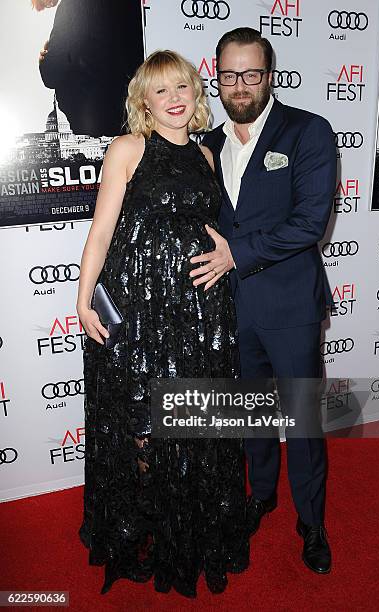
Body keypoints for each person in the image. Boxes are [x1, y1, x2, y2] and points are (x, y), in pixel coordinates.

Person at [76, 50, 250, 598]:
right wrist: (84, 300)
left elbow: (208, 222)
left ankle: (190, 530)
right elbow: (102, 230)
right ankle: (145, 529)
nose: (174, 99)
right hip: (143, 311)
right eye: (161, 91)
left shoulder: (206, 156)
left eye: (182, 87)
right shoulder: (128, 149)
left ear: (195, 95)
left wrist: (226, 245)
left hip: (200, 312)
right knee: (142, 423)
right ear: (143, 102)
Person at [191, 28, 337, 574]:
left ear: (269, 74)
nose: (240, 86)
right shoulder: (204, 142)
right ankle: (260, 495)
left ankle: (312, 521)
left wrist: (237, 255)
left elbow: (308, 224)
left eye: (251, 74)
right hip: (230, 307)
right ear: (218, 78)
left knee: (300, 421)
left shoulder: (307, 131)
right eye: (229, 76)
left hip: (289, 305)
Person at [33, 0, 144, 136]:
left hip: (97, 118)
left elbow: (51, 74)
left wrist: (43, 61)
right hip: (131, 110)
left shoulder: (73, 6)